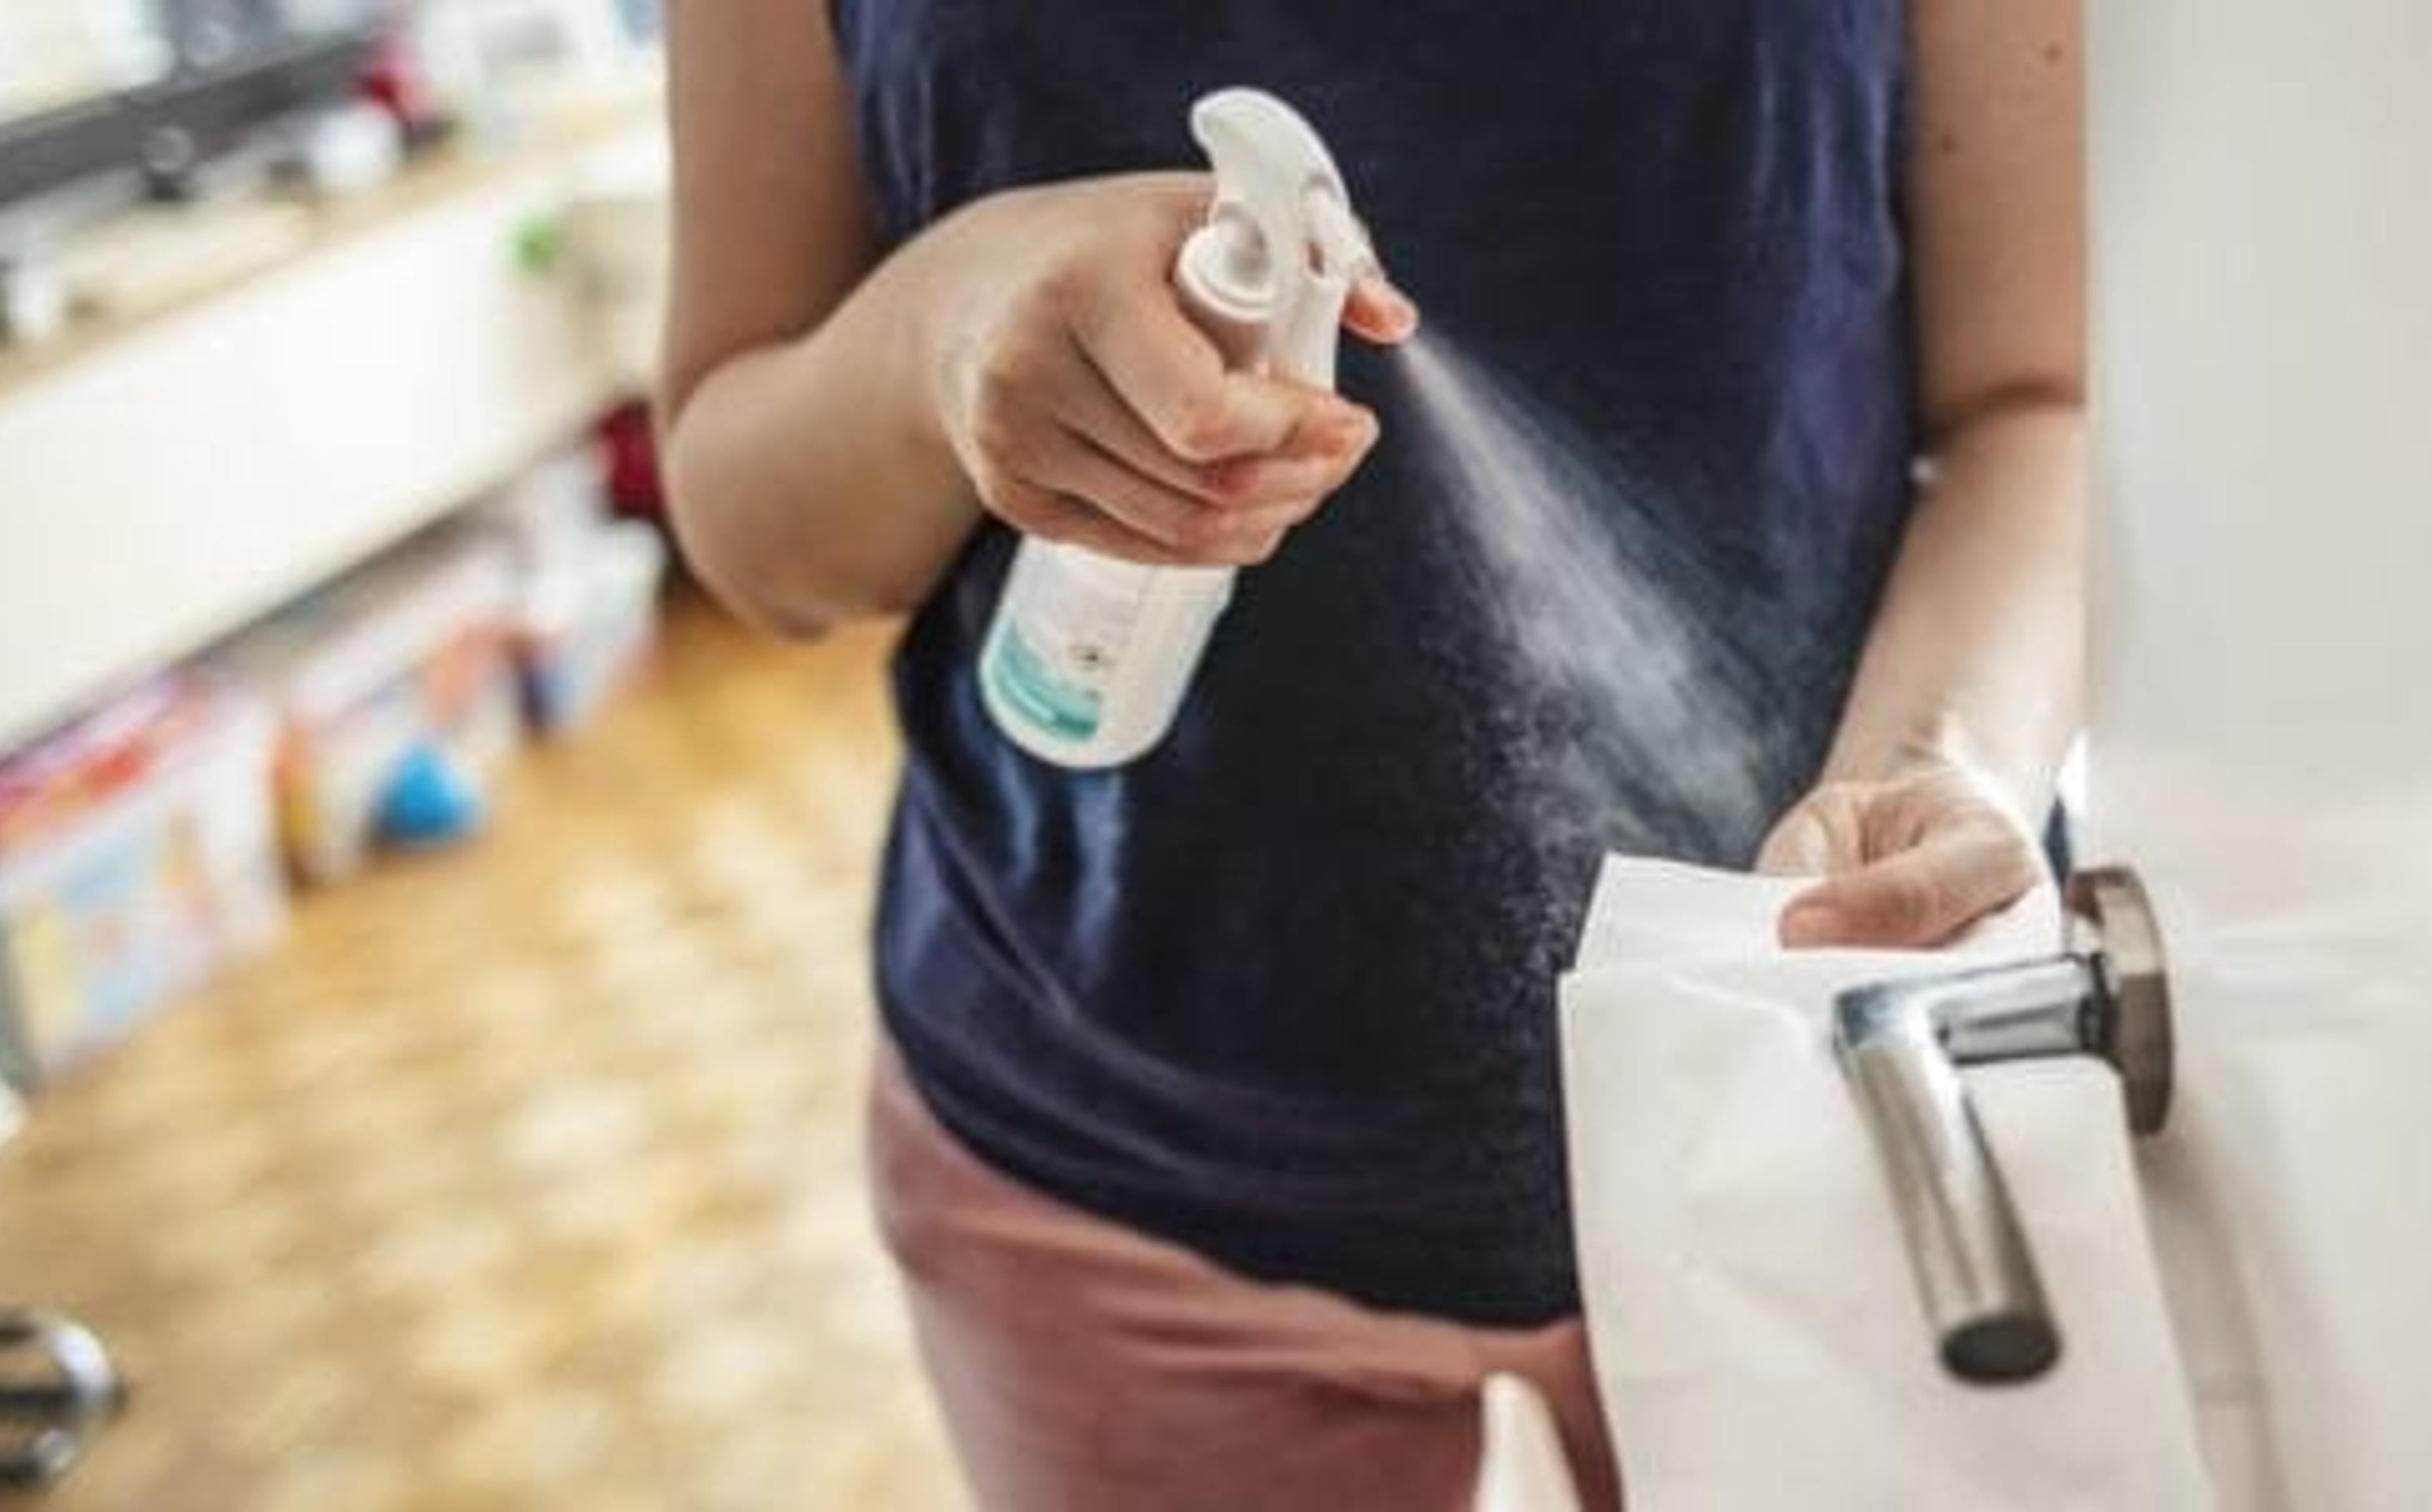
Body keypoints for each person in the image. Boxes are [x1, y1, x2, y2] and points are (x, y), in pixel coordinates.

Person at [661, 2, 2085, 1507]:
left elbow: (2038, 395)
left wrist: (1942, 769)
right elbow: (752, 527)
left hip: (1837, 1148)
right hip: (1124, 1232)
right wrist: (936, 336)